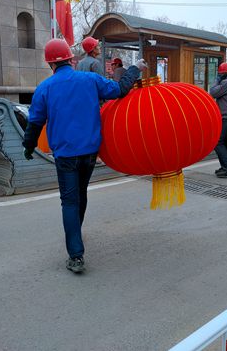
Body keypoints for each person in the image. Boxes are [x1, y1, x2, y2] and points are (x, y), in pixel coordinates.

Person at [22, 38, 148, 274]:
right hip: (89, 152)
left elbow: (35, 123)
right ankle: (75, 234)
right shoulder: (90, 80)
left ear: (50, 64)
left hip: (65, 155)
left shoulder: (44, 88)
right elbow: (120, 90)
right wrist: (134, 69)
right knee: (80, 194)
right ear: (71, 59)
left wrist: (28, 147)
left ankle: (76, 254)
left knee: (69, 201)